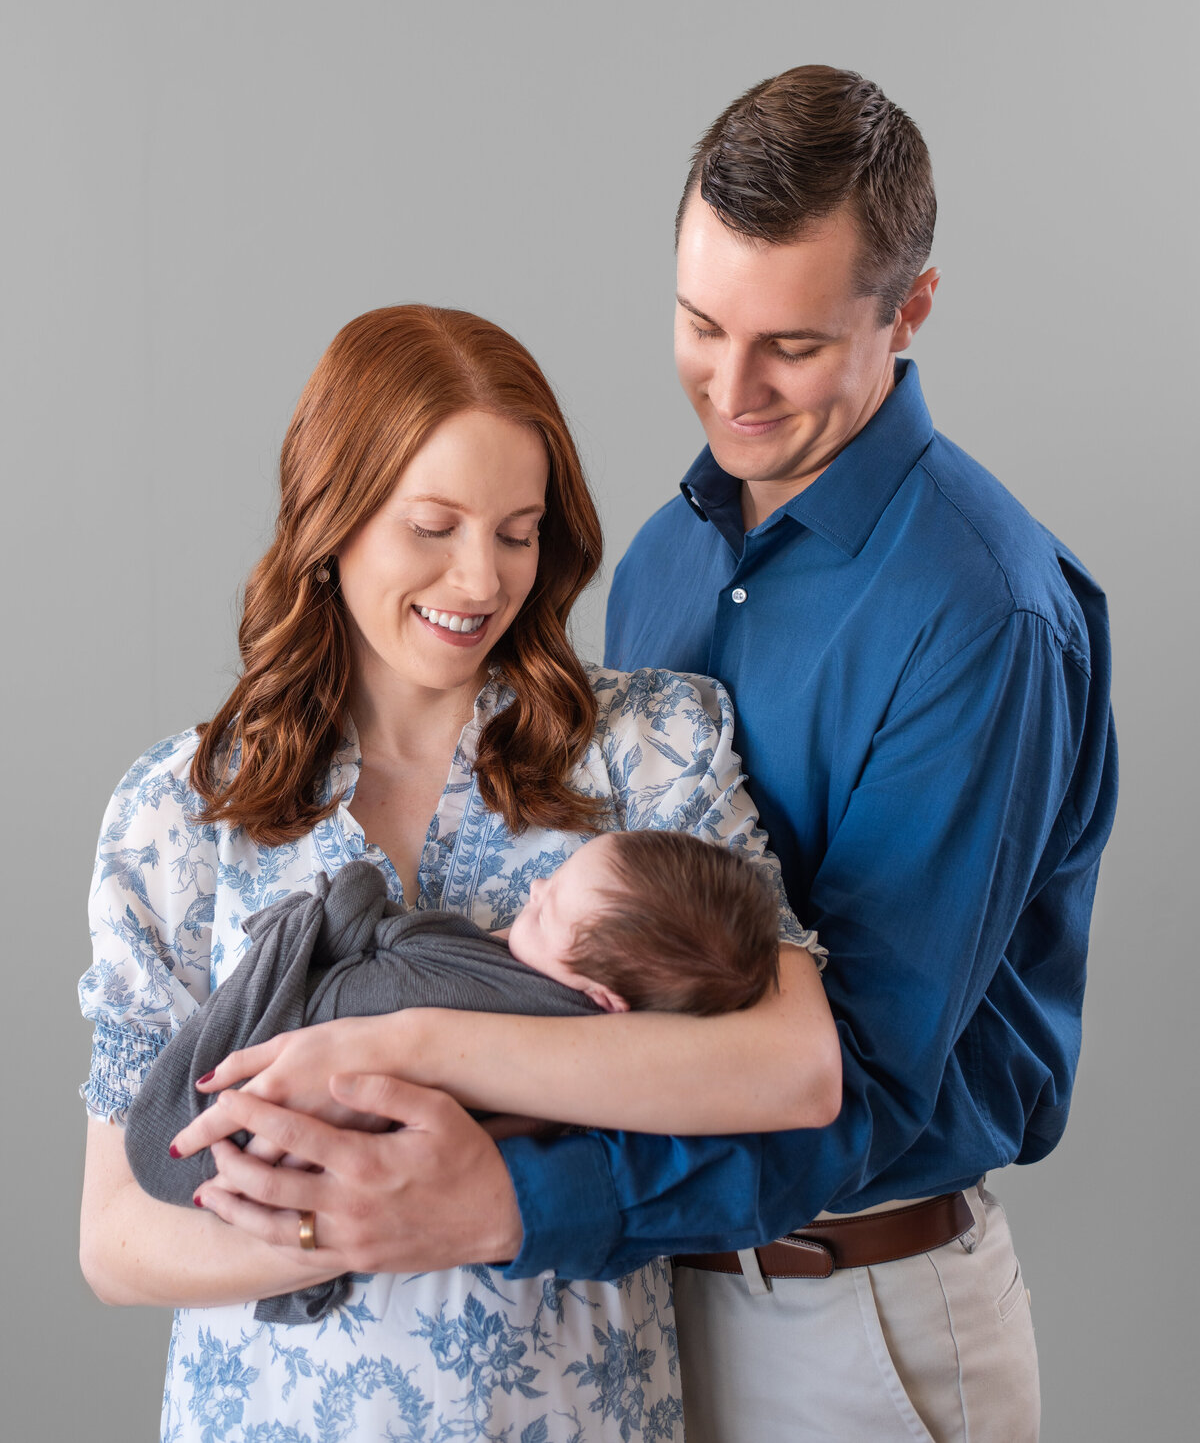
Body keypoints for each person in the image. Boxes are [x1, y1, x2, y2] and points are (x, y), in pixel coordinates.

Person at [173, 69, 1117, 1442]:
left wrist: (512, 1193)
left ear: (907, 310)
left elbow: (862, 1076)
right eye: (697, 323)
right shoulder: (673, 555)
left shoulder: (982, 615)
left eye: (789, 346)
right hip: (646, 1311)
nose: (730, 391)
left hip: (851, 1304)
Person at [79, 304, 839, 1442]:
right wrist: (360, 1225)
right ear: (332, 525)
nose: (480, 580)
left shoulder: (649, 748)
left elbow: (793, 1069)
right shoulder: (180, 809)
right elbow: (116, 1237)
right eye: (433, 526)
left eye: (519, 532)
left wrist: (408, 1047)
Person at [124, 834, 787, 1325]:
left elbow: (382, 933)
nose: (531, 892)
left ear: (603, 1000)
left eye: (546, 911)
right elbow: (112, 1251)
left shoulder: (492, 994)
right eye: (550, 879)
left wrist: (351, 900)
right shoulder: (607, 1078)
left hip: (218, 1136)